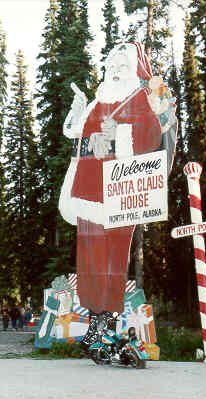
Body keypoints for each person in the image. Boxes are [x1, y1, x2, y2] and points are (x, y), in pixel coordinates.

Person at [59, 42, 164, 317]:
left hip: (118, 192)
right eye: (112, 67)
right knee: (89, 261)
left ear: (132, 71)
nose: (116, 72)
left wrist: (118, 132)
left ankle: (110, 322)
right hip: (86, 190)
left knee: (113, 260)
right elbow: (74, 133)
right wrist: (79, 108)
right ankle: (95, 326)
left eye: (122, 67)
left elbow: (152, 135)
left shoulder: (137, 99)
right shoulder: (98, 99)